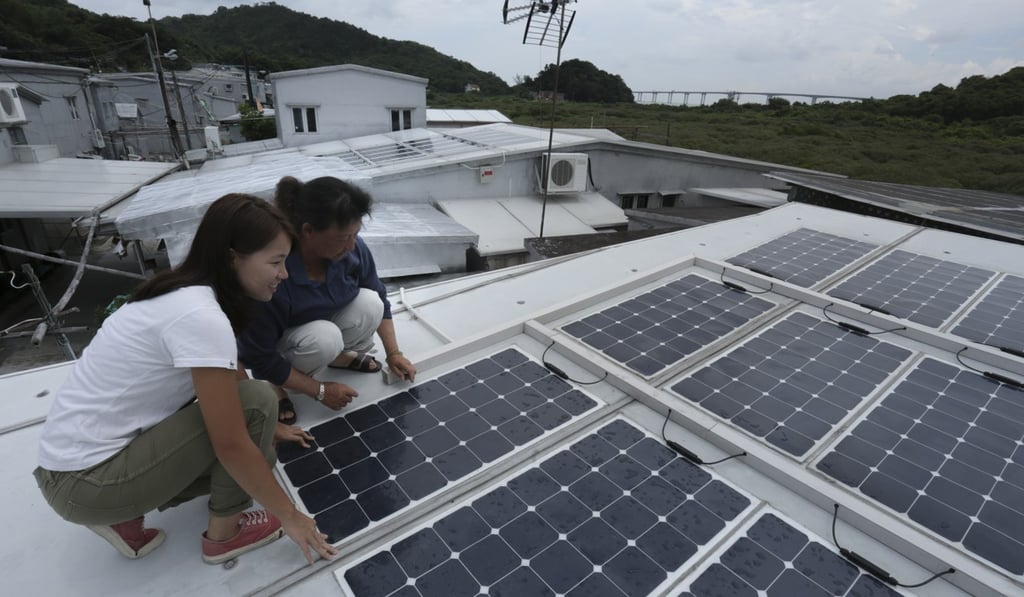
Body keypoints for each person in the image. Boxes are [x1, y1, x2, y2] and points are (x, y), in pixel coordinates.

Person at [33, 194, 337, 565]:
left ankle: (122, 516)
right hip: (87, 482)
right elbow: (233, 436)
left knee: (262, 448)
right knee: (257, 405)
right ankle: (225, 535)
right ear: (232, 257)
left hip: (68, 471)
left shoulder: (178, 292)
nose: (284, 274)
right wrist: (291, 516)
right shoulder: (199, 315)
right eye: (275, 262)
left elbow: (228, 371)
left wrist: (269, 430)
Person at [238, 176, 417, 423]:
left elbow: (382, 299)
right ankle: (276, 387)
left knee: (370, 302)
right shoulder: (276, 271)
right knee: (325, 338)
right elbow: (259, 355)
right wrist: (320, 392)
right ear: (308, 231)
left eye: (355, 234)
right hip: (284, 345)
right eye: (343, 237)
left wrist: (394, 354)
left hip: (320, 328)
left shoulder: (352, 251)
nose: (352, 245)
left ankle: (338, 357)